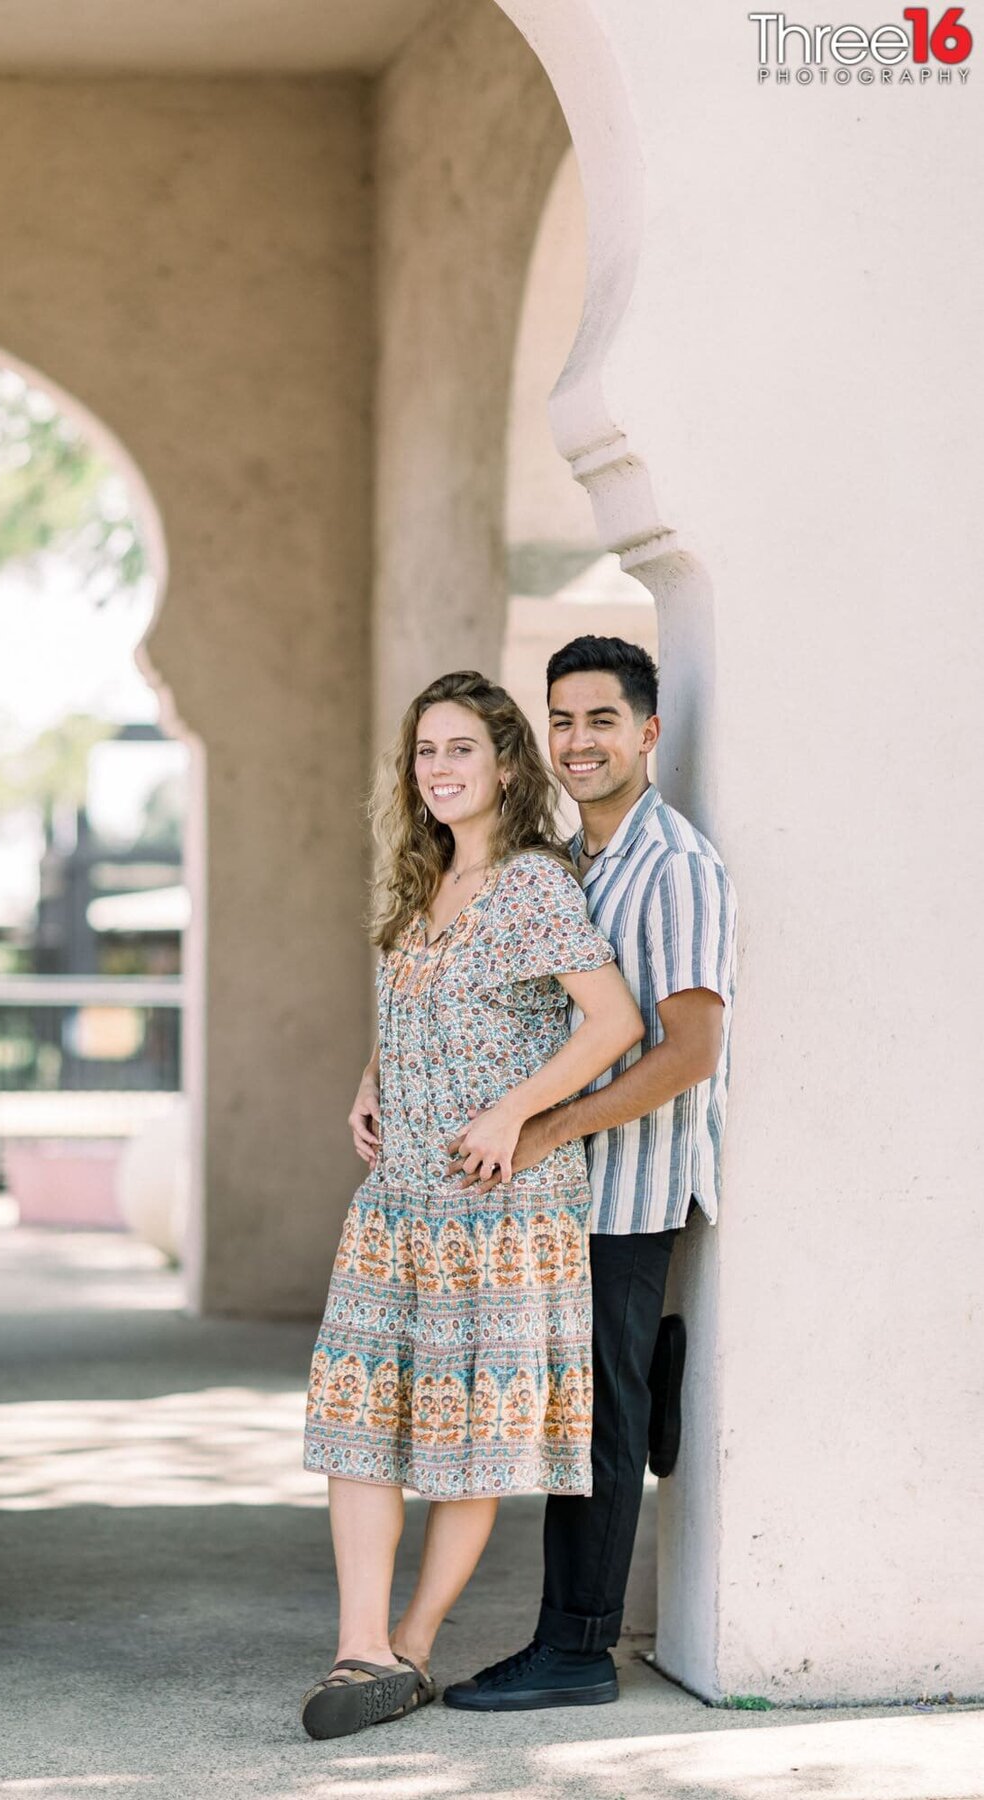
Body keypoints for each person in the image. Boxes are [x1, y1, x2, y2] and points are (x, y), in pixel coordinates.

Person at [299, 670, 645, 1742]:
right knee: (362, 1425)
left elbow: (613, 1024)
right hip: (398, 1200)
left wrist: (512, 1114)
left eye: (459, 749)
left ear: (505, 766)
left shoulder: (536, 887)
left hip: (500, 1207)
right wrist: (370, 1075)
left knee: (462, 1438)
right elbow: (422, 1004)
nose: (437, 770)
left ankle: (410, 1648)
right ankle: (358, 1648)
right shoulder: (422, 883)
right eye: (423, 752)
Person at [442, 635, 737, 1713]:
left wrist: (551, 1126)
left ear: (648, 733)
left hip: (632, 1191)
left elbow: (691, 1052)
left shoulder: (676, 868)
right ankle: (571, 1632)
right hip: (565, 1193)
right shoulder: (573, 863)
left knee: (605, 1422)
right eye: (562, 720)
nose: (578, 741)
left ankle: (576, 1651)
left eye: (602, 720)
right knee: (583, 1417)